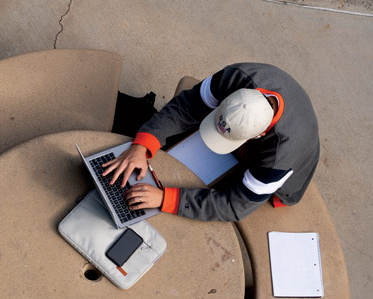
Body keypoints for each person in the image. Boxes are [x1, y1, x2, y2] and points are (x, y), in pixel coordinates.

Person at [102, 63, 319, 222]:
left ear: (257, 137)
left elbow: (235, 205)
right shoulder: (235, 77)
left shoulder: (279, 157)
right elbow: (186, 107)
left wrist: (165, 198)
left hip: (281, 175)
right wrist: (142, 146)